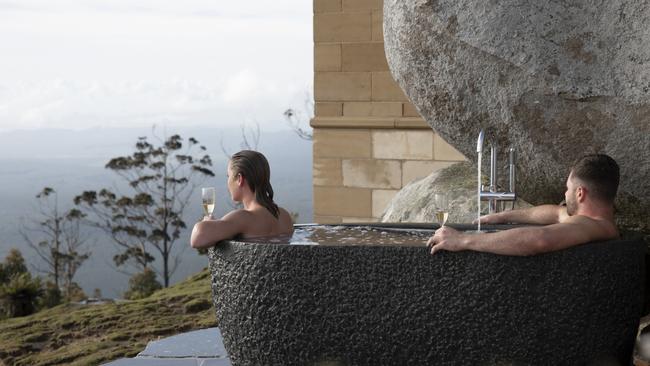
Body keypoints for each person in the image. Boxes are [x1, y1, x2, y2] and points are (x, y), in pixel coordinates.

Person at [427, 154, 620, 256]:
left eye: (568, 188)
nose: (565, 193)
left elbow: (540, 239)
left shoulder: (591, 226)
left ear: (580, 193)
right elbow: (555, 213)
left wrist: (462, 240)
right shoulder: (591, 221)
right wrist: (503, 217)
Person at [190, 150, 294, 249]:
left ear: (240, 179)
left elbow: (198, 238)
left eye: (228, 176)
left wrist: (208, 222)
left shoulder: (243, 218)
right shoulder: (284, 215)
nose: (228, 181)